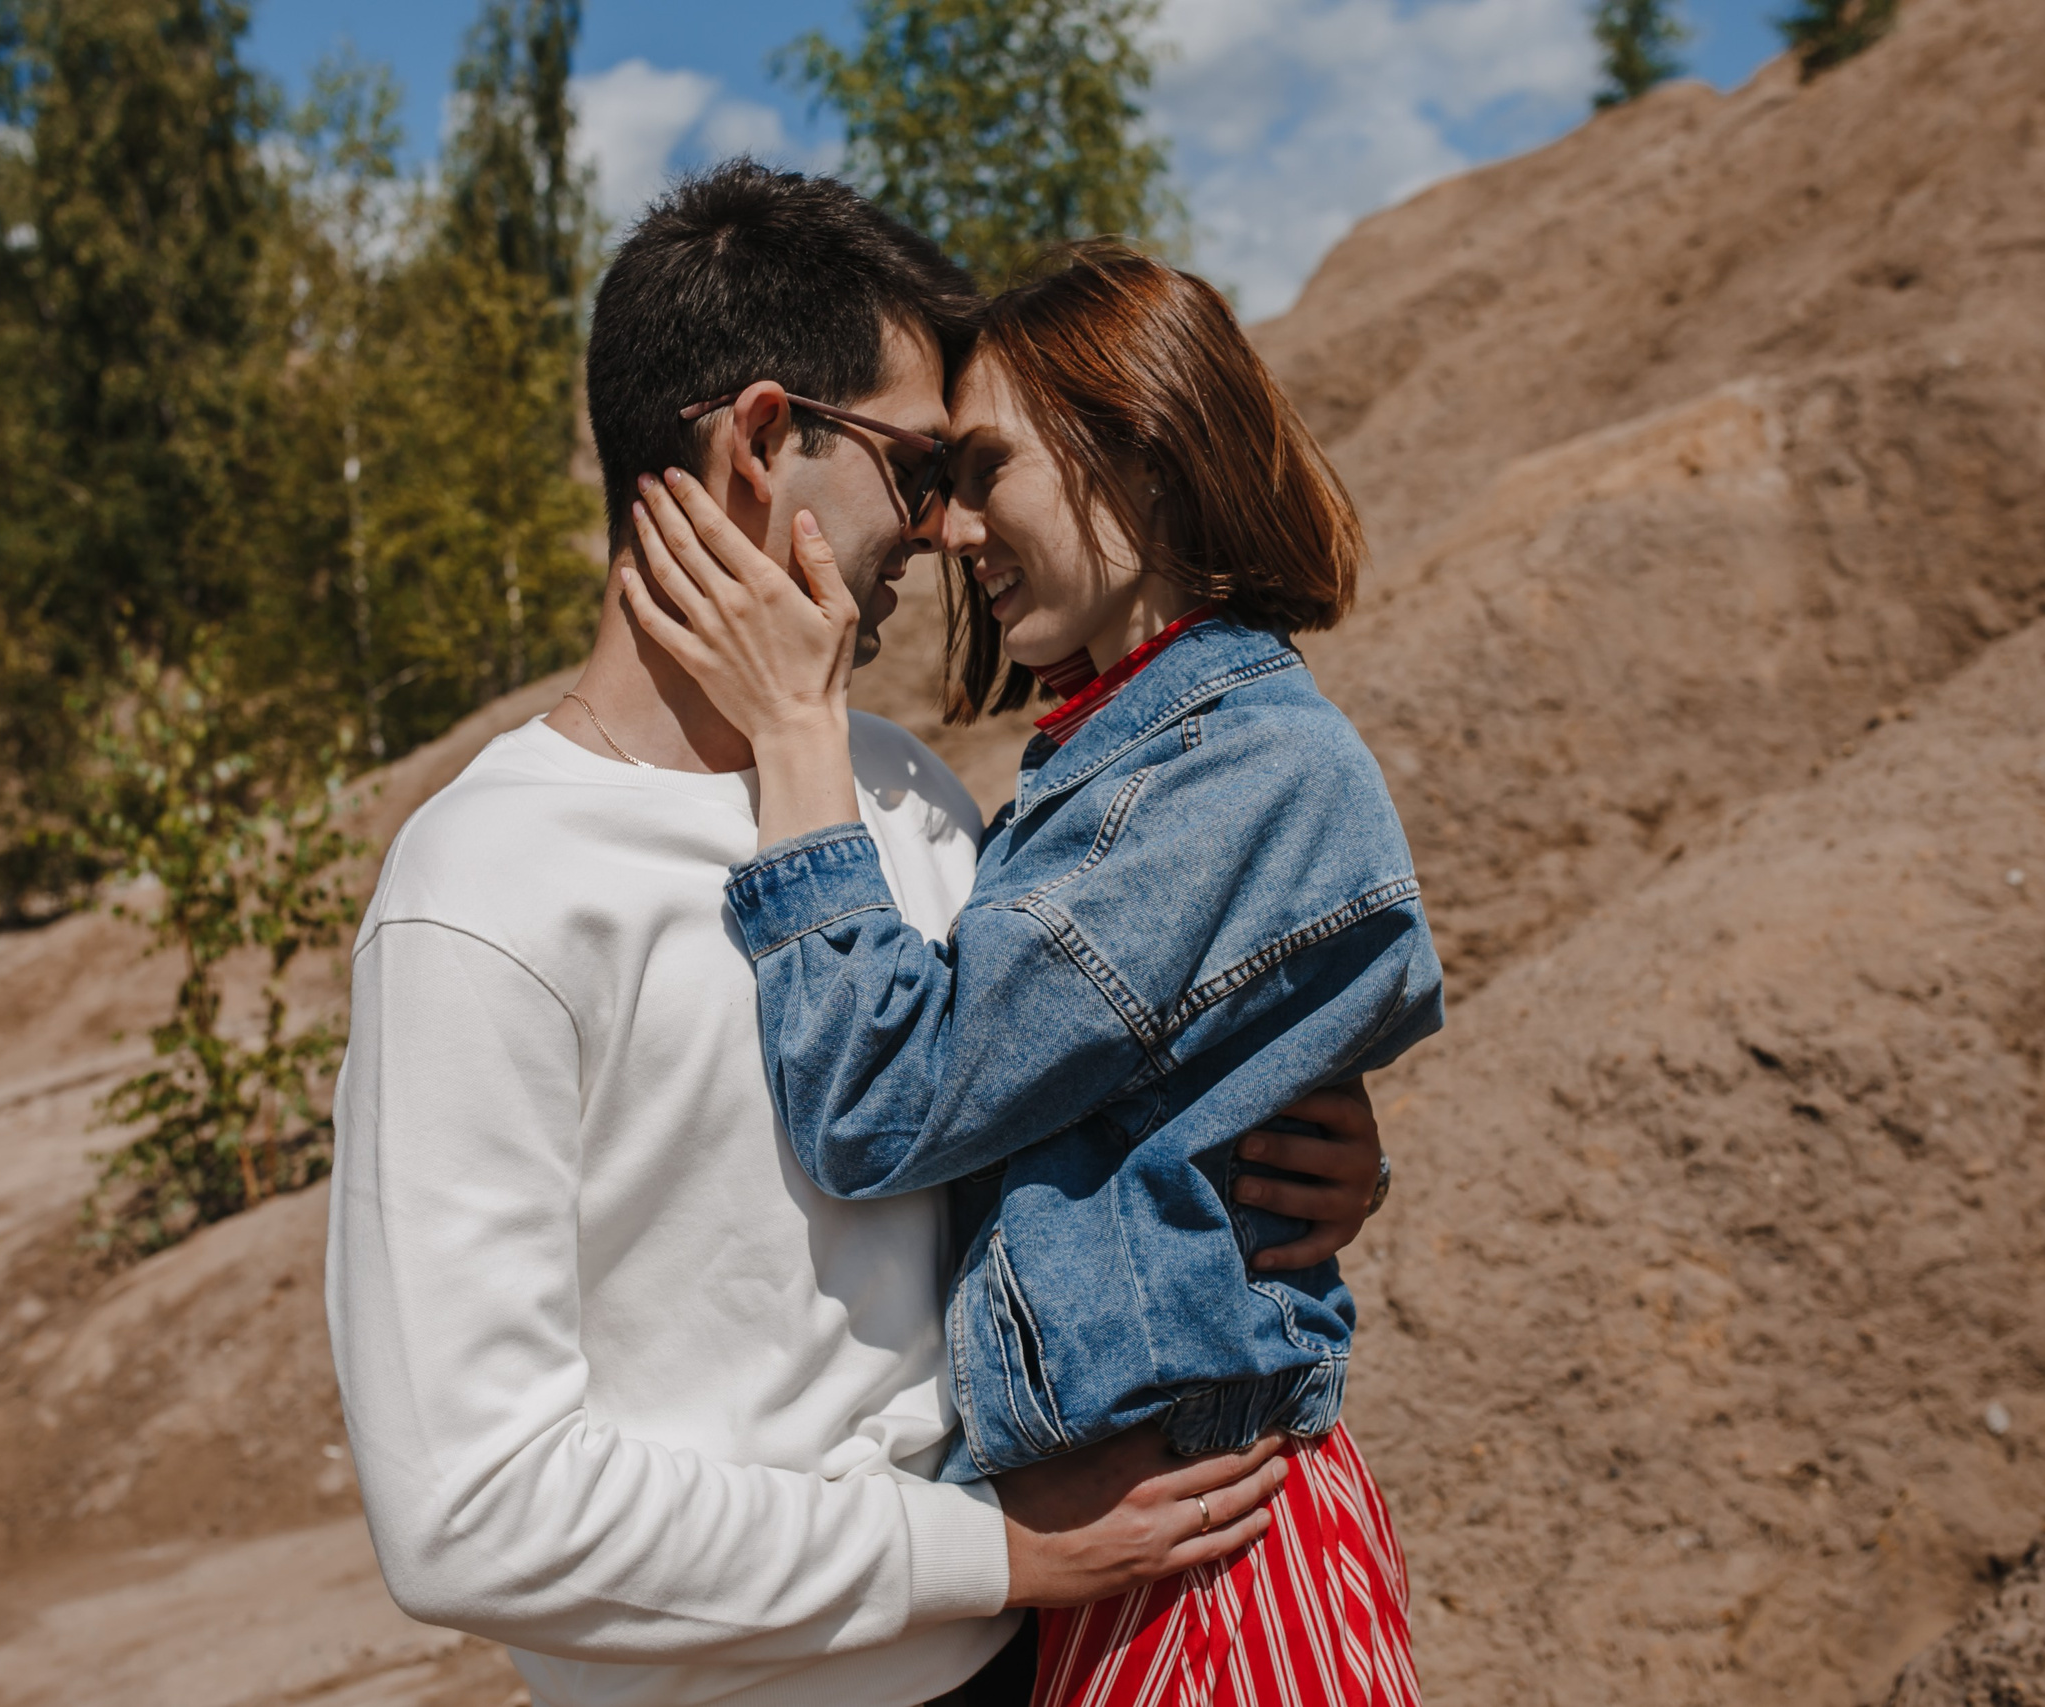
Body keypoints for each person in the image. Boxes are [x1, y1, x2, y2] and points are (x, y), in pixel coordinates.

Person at [326, 165, 1398, 1707]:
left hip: (1039, 1656)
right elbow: (469, 1512)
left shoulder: (898, 801)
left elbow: (1042, 1113)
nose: (947, 532)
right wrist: (985, 1555)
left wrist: (1293, 1148)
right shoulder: (485, 895)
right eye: (916, 467)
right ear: (767, 441)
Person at [617, 241, 1441, 1705]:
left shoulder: (1234, 767)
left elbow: (886, 1099)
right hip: (1140, 1551)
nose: (945, 531)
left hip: (1212, 1557)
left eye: (983, 471)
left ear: (1138, 447)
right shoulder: (1118, 761)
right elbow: (1115, 1095)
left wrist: (802, 747)